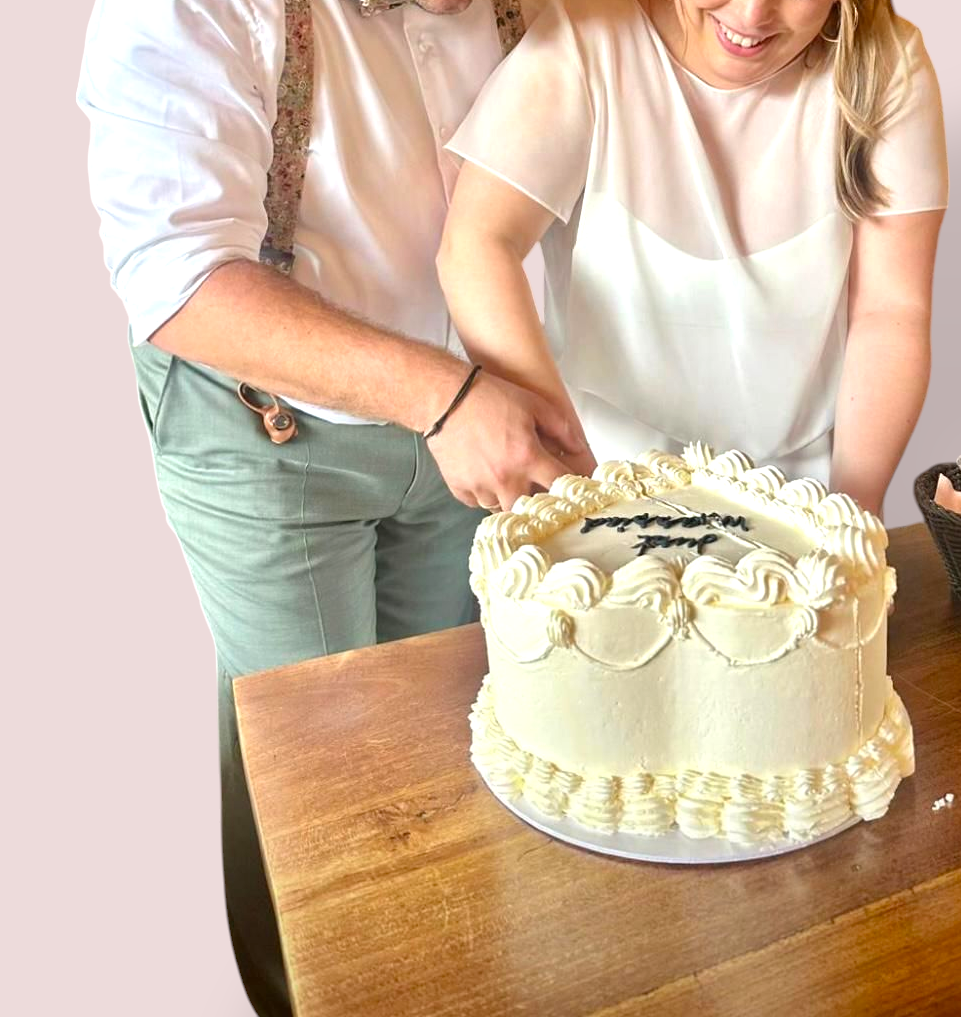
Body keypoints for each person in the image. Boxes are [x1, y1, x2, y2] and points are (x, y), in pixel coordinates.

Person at [77, 1, 584, 1013]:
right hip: (260, 421)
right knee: (317, 762)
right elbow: (173, 280)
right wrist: (441, 398)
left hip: (469, 416)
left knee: (449, 726)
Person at [438, 0, 948, 517]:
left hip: (801, 497)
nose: (751, 15)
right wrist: (565, 470)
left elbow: (889, 311)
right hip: (599, 478)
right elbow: (478, 246)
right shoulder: (588, 39)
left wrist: (853, 510)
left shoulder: (887, 64)